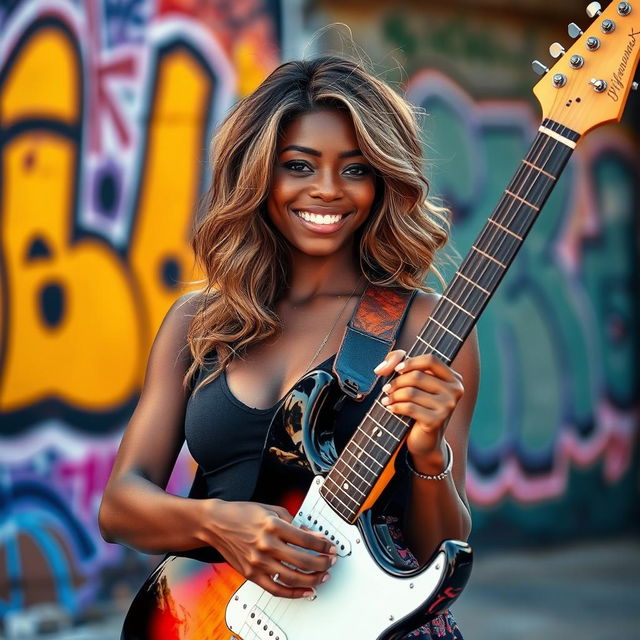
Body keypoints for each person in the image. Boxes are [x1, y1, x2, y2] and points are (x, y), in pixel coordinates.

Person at [99, 55, 480, 639]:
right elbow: (120, 506)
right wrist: (215, 524)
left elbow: (438, 549)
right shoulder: (200, 322)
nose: (327, 190)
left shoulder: (426, 326)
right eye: (299, 165)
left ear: (382, 181)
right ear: (258, 175)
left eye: (355, 170)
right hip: (205, 622)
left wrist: (430, 457)